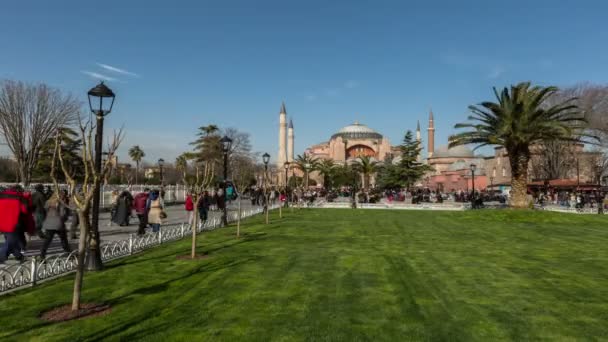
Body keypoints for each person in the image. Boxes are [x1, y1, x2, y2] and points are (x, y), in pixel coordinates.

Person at [0, 186, 31, 264]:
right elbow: (24, 210)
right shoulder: (20, 198)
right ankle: (1, 256)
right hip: (14, 222)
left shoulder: (1, 196)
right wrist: (27, 199)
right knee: (10, 241)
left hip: (2, 222)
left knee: (12, 240)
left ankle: (19, 256)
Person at [39, 192, 71, 259]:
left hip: (49, 223)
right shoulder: (62, 202)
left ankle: (42, 254)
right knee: (63, 239)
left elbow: (45, 209)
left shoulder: (48, 202)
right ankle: (69, 253)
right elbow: (63, 214)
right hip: (58, 223)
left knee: (47, 240)